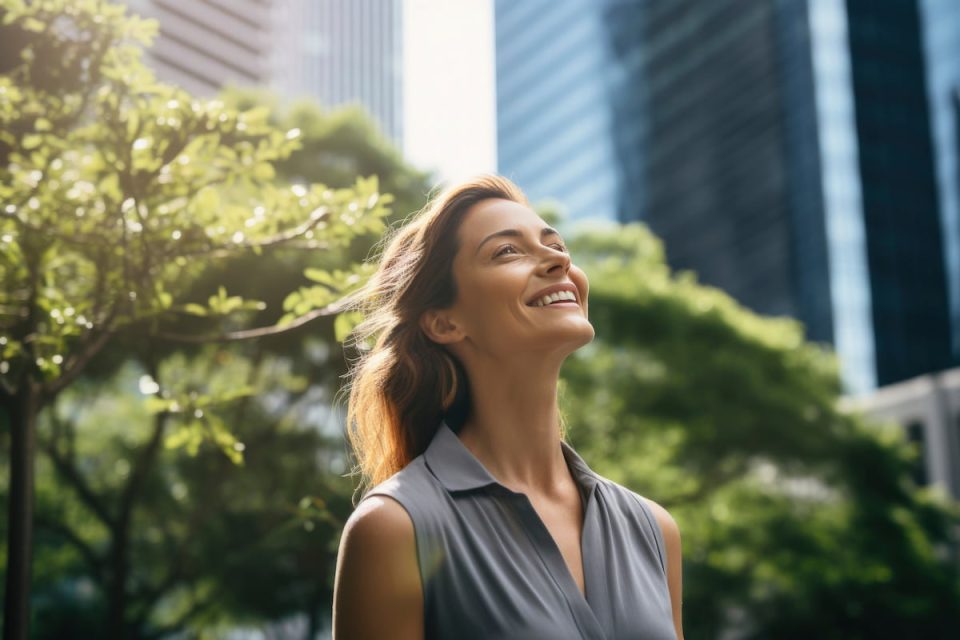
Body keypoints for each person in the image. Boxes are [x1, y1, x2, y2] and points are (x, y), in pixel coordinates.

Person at [332, 175, 684, 640]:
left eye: (555, 245)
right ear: (444, 322)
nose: (559, 259)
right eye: (507, 251)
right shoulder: (395, 528)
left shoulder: (653, 529)